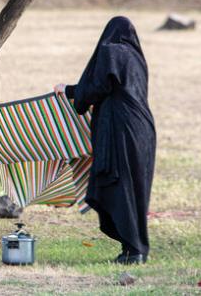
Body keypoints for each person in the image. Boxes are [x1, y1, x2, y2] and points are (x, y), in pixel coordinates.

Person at [54, 16, 156, 265]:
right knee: (135, 189)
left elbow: (96, 88)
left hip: (120, 129)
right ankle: (135, 248)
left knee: (120, 186)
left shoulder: (110, 51)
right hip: (143, 129)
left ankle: (134, 251)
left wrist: (68, 90)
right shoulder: (136, 57)